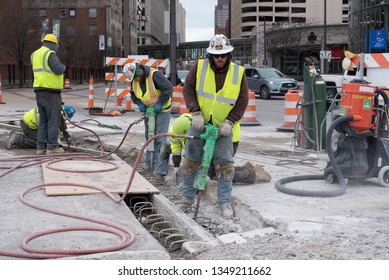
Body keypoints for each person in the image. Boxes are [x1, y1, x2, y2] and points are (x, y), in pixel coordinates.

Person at [178, 34, 249, 219]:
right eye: (216, 56)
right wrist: (195, 112)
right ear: (210, 55)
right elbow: (188, 89)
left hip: (223, 127)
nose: (219, 59)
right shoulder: (199, 67)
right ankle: (187, 198)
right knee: (190, 160)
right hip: (200, 124)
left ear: (229, 55)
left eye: (223, 55)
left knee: (225, 165)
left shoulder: (238, 72)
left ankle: (224, 202)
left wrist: (230, 121)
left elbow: (242, 100)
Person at [153, 113, 261, 186]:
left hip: (227, 139)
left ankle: (252, 173)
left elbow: (204, 152)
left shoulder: (201, 129)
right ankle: (159, 174)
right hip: (203, 143)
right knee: (166, 146)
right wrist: (177, 167)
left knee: (217, 173)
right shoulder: (177, 129)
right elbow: (175, 148)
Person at [123, 62, 173, 176]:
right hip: (149, 110)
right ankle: (149, 164)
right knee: (149, 137)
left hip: (162, 109)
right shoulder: (134, 79)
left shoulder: (154, 75)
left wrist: (160, 103)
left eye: (137, 78)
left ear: (139, 72)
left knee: (160, 138)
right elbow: (133, 94)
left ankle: (160, 170)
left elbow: (168, 88)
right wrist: (139, 103)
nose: (136, 80)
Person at [31, 33, 66, 155]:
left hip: (39, 91)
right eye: (56, 45)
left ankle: (40, 147)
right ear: (52, 43)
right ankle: (52, 147)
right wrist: (63, 67)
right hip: (51, 92)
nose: (57, 47)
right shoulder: (50, 54)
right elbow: (58, 69)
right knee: (53, 120)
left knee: (43, 120)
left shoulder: (35, 54)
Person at [5, 106, 76, 150]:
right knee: (41, 143)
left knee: (45, 140)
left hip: (27, 121)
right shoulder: (55, 117)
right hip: (27, 125)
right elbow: (53, 133)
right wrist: (58, 146)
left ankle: (19, 136)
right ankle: (17, 139)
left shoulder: (55, 109)